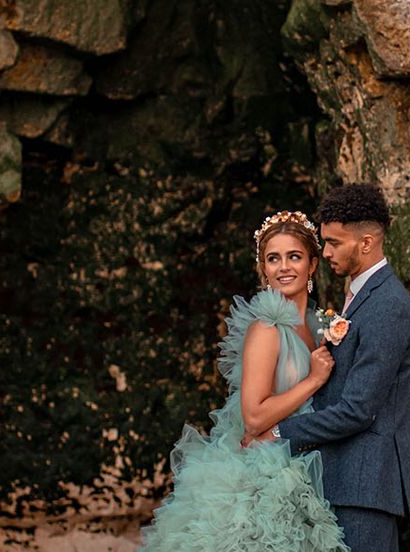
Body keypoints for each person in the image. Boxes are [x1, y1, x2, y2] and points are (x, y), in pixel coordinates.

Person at [140, 210, 349, 552]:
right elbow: (253, 418)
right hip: (264, 473)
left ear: (312, 264)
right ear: (263, 269)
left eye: (294, 257)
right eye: (273, 259)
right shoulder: (266, 328)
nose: (283, 267)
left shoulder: (317, 325)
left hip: (307, 459)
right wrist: (313, 380)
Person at [251, 182, 410, 551]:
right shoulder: (360, 297)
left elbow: (358, 409)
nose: (325, 251)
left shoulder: (388, 304)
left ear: (366, 242)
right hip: (346, 480)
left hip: (365, 485)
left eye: (333, 243)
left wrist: (279, 432)